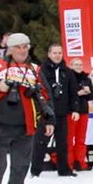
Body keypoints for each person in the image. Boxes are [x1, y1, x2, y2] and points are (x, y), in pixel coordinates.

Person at [0, 33, 55, 184]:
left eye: (25, 46)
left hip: (26, 126)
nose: (22, 50)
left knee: (21, 165)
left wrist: (50, 120)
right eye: (18, 47)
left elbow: (46, 97)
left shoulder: (35, 69)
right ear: (10, 49)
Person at [32, 42, 80, 177]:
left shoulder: (67, 71)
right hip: (46, 114)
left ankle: (63, 169)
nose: (57, 55)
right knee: (41, 142)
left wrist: (75, 109)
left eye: (60, 53)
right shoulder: (42, 71)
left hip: (62, 113)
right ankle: (35, 169)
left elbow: (73, 92)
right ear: (49, 54)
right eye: (55, 53)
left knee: (62, 142)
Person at [67, 57, 93, 170]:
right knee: (69, 138)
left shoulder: (86, 79)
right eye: (76, 64)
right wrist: (78, 93)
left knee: (81, 138)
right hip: (71, 111)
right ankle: (69, 163)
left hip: (83, 111)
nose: (78, 66)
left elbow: (92, 96)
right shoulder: (68, 78)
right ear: (71, 66)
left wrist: (88, 92)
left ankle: (80, 161)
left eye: (80, 64)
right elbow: (66, 96)